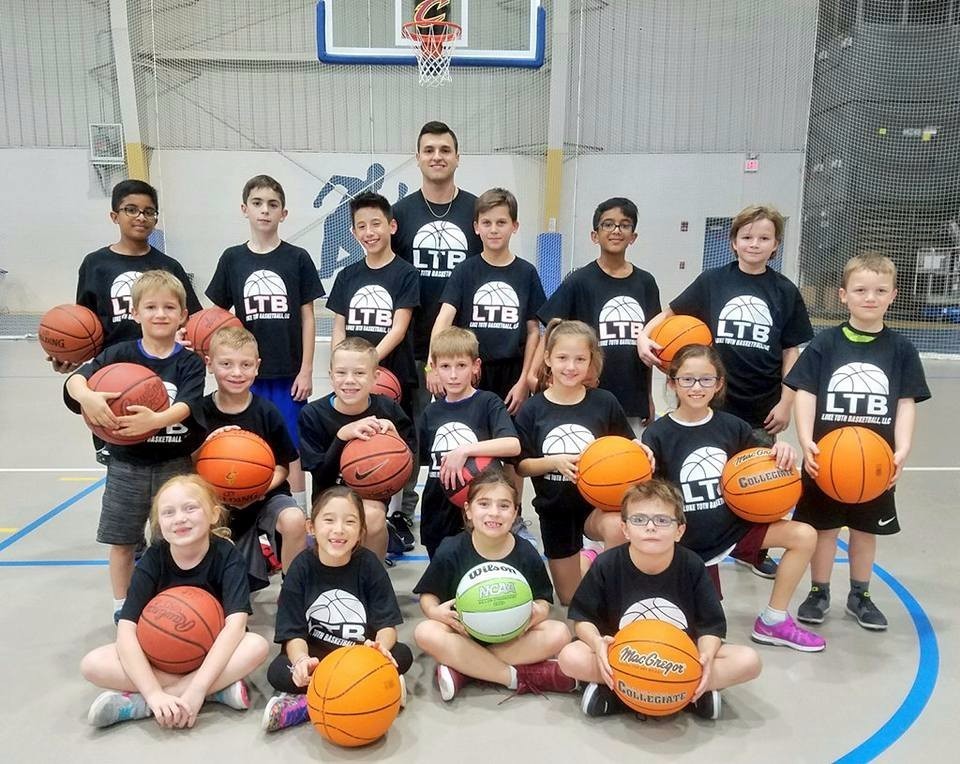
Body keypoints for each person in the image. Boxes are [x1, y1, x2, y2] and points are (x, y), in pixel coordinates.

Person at [638, 205, 813, 578]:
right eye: (747, 237)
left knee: (759, 483)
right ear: (733, 242)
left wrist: (787, 401)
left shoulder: (784, 291)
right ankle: (701, 546)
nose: (755, 244)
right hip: (713, 401)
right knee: (707, 479)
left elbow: (790, 352)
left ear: (776, 245)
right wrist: (643, 336)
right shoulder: (713, 281)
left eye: (764, 238)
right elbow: (669, 314)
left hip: (761, 406)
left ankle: (754, 550)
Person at [641, 344, 825, 652]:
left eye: (706, 379)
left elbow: (760, 467)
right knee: (701, 637)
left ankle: (774, 620)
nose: (696, 387)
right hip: (686, 543)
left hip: (732, 531)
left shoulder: (733, 427)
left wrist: (780, 451)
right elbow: (650, 496)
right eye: (687, 379)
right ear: (672, 383)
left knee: (804, 535)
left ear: (719, 384)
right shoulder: (657, 434)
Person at [787, 254, 930, 631]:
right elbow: (805, 393)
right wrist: (806, 440)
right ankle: (818, 591)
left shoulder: (901, 349)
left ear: (893, 296)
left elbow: (905, 403)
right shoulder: (825, 344)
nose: (870, 297)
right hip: (826, 458)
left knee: (866, 530)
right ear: (843, 295)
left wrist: (902, 448)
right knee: (824, 530)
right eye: (861, 290)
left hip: (875, 462)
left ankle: (860, 595)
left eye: (880, 291)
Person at [64, 270, 206, 622]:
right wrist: (87, 397)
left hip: (174, 464)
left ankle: (172, 599)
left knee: (173, 539)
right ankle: (122, 606)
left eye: (169, 308)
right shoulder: (119, 354)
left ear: (183, 315)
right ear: (135, 312)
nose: (160, 314)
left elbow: (188, 404)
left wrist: (154, 421)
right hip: (126, 464)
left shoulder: (189, 362)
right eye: (151, 307)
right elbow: (75, 381)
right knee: (123, 541)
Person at [558, 480, 762, 720]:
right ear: (625, 529)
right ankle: (684, 694)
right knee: (570, 656)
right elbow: (583, 618)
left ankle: (629, 693)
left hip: (677, 659)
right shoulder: (607, 564)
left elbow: (711, 626)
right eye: (639, 519)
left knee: (748, 661)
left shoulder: (692, 565)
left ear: (679, 531)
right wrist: (596, 642)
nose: (650, 527)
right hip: (624, 657)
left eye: (663, 520)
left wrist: (706, 656)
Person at [80, 475, 270, 728]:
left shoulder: (227, 555)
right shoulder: (153, 558)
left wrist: (196, 689)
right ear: (159, 523)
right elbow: (127, 628)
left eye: (190, 508)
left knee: (256, 645)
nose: (180, 518)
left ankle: (141, 704)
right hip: (160, 657)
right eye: (168, 512)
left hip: (211, 654)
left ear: (214, 514)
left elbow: (235, 626)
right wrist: (153, 694)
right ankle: (215, 690)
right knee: (92, 664)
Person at [55, 179, 202, 466]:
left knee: (164, 453)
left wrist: (190, 340)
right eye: (131, 209)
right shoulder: (95, 264)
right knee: (121, 460)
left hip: (163, 375)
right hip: (113, 377)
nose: (141, 217)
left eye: (149, 211)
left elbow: (192, 321)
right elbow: (83, 325)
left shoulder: (169, 266)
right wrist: (69, 353)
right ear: (114, 215)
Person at [206, 174, 325, 510]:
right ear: (244, 209)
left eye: (273, 205)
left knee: (291, 448)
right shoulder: (232, 259)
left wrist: (306, 369)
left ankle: (299, 514)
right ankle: (244, 511)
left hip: (288, 373)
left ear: (283, 214)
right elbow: (216, 317)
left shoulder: (297, 258)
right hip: (244, 374)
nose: (264, 210)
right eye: (257, 203)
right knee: (244, 446)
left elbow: (308, 317)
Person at [390, 121, 483, 536]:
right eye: (429, 150)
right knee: (415, 433)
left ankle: (473, 511)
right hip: (412, 345)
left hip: (463, 349)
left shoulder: (476, 212)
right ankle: (404, 513)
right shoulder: (401, 214)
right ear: (417, 158)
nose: (437, 156)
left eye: (445, 149)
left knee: (465, 431)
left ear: (458, 158)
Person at [413, 470, 575, 701]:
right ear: (468, 510)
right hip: (464, 634)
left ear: (515, 513)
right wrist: (435, 612)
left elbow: (542, 599)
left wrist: (539, 612)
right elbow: (428, 595)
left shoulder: (526, 552)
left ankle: (465, 670)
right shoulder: (451, 549)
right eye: (484, 504)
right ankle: (512, 676)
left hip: (513, 635)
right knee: (426, 632)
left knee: (559, 633)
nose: (494, 513)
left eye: (504, 506)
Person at [262, 486, 412, 732]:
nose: (339, 529)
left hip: (360, 657)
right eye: (329, 520)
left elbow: (387, 625)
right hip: (317, 659)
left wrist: (380, 648)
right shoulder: (300, 568)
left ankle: (307, 705)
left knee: (401, 654)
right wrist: (301, 661)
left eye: (350, 522)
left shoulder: (369, 565)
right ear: (311, 527)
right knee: (278, 671)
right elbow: (292, 633)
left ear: (361, 532)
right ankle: (374, 695)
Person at [515, 320, 643, 605]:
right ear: (548, 358)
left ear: (591, 361)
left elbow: (627, 446)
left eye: (580, 359)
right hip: (555, 511)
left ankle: (613, 591)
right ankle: (589, 557)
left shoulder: (604, 402)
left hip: (595, 507)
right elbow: (521, 466)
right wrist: (553, 462)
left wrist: (641, 450)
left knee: (616, 526)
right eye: (562, 358)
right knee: (569, 599)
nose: (571, 367)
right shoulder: (533, 409)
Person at [534, 198, 661, 433]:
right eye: (608, 224)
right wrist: (536, 376)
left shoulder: (646, 283)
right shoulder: (579, 281)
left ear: (633, 236)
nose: (616, 230)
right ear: (595, 235)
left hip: (633, 400)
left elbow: (649, 346)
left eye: (624, 225)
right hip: (587, 398)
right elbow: (551, 328)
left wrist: (649, 396)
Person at [196, 326, 307, 590]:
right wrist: (204, 448)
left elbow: (283, 465)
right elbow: (188, 467)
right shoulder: (199, 412)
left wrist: (256, 490)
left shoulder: (267, 412)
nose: (237, 373)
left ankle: (292, 589)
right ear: (209, 364)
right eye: (226, 364)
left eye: (245, 365)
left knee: (294, 520)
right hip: (218, 501)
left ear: (257, 367)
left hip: (266, 496)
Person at [298, 337, 416, 561]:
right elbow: (321, 476)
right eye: (341, 373)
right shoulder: (313, 414)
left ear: (375, 377)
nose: (349, 380)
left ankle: (374, 572)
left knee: (372, 517)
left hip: (371, 496)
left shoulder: (389, 410)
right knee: (336, 528)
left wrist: (395, 437)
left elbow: (407, 466)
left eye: (360, 373)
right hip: (329, 495)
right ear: (331, 375)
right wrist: (341, 436)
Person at [430, 187, 544, 413]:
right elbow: (444, 320)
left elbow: (534, 331)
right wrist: (431, 367)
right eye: (486, 223)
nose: (493, 230)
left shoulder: (526, 272)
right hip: (470, 372)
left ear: (514, 226)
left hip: (511, 375)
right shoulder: (465, 271)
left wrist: (524, 381)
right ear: (476, 227)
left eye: (501, 223)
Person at [419, 327, 520, 558]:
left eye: (461, 365)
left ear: (476, 366)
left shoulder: (488, 402)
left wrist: (463, 451)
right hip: (438, 510)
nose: (453, 375)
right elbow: (424, 459)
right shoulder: (430, 412)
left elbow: (512, 444)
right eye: (445, 366)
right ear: (434, 368)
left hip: (480, 510)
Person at [327, 191, 419, 419]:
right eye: (361, 226)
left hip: (392, 375)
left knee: (392, 437)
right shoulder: (347, 275)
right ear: (353, 232)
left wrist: (367, 364)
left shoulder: (407, 273)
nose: (369, 232)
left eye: (376, 224)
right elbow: (339, 328)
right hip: (354, 378)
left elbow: (398, 329)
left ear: (392, 226)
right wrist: (341, 365)